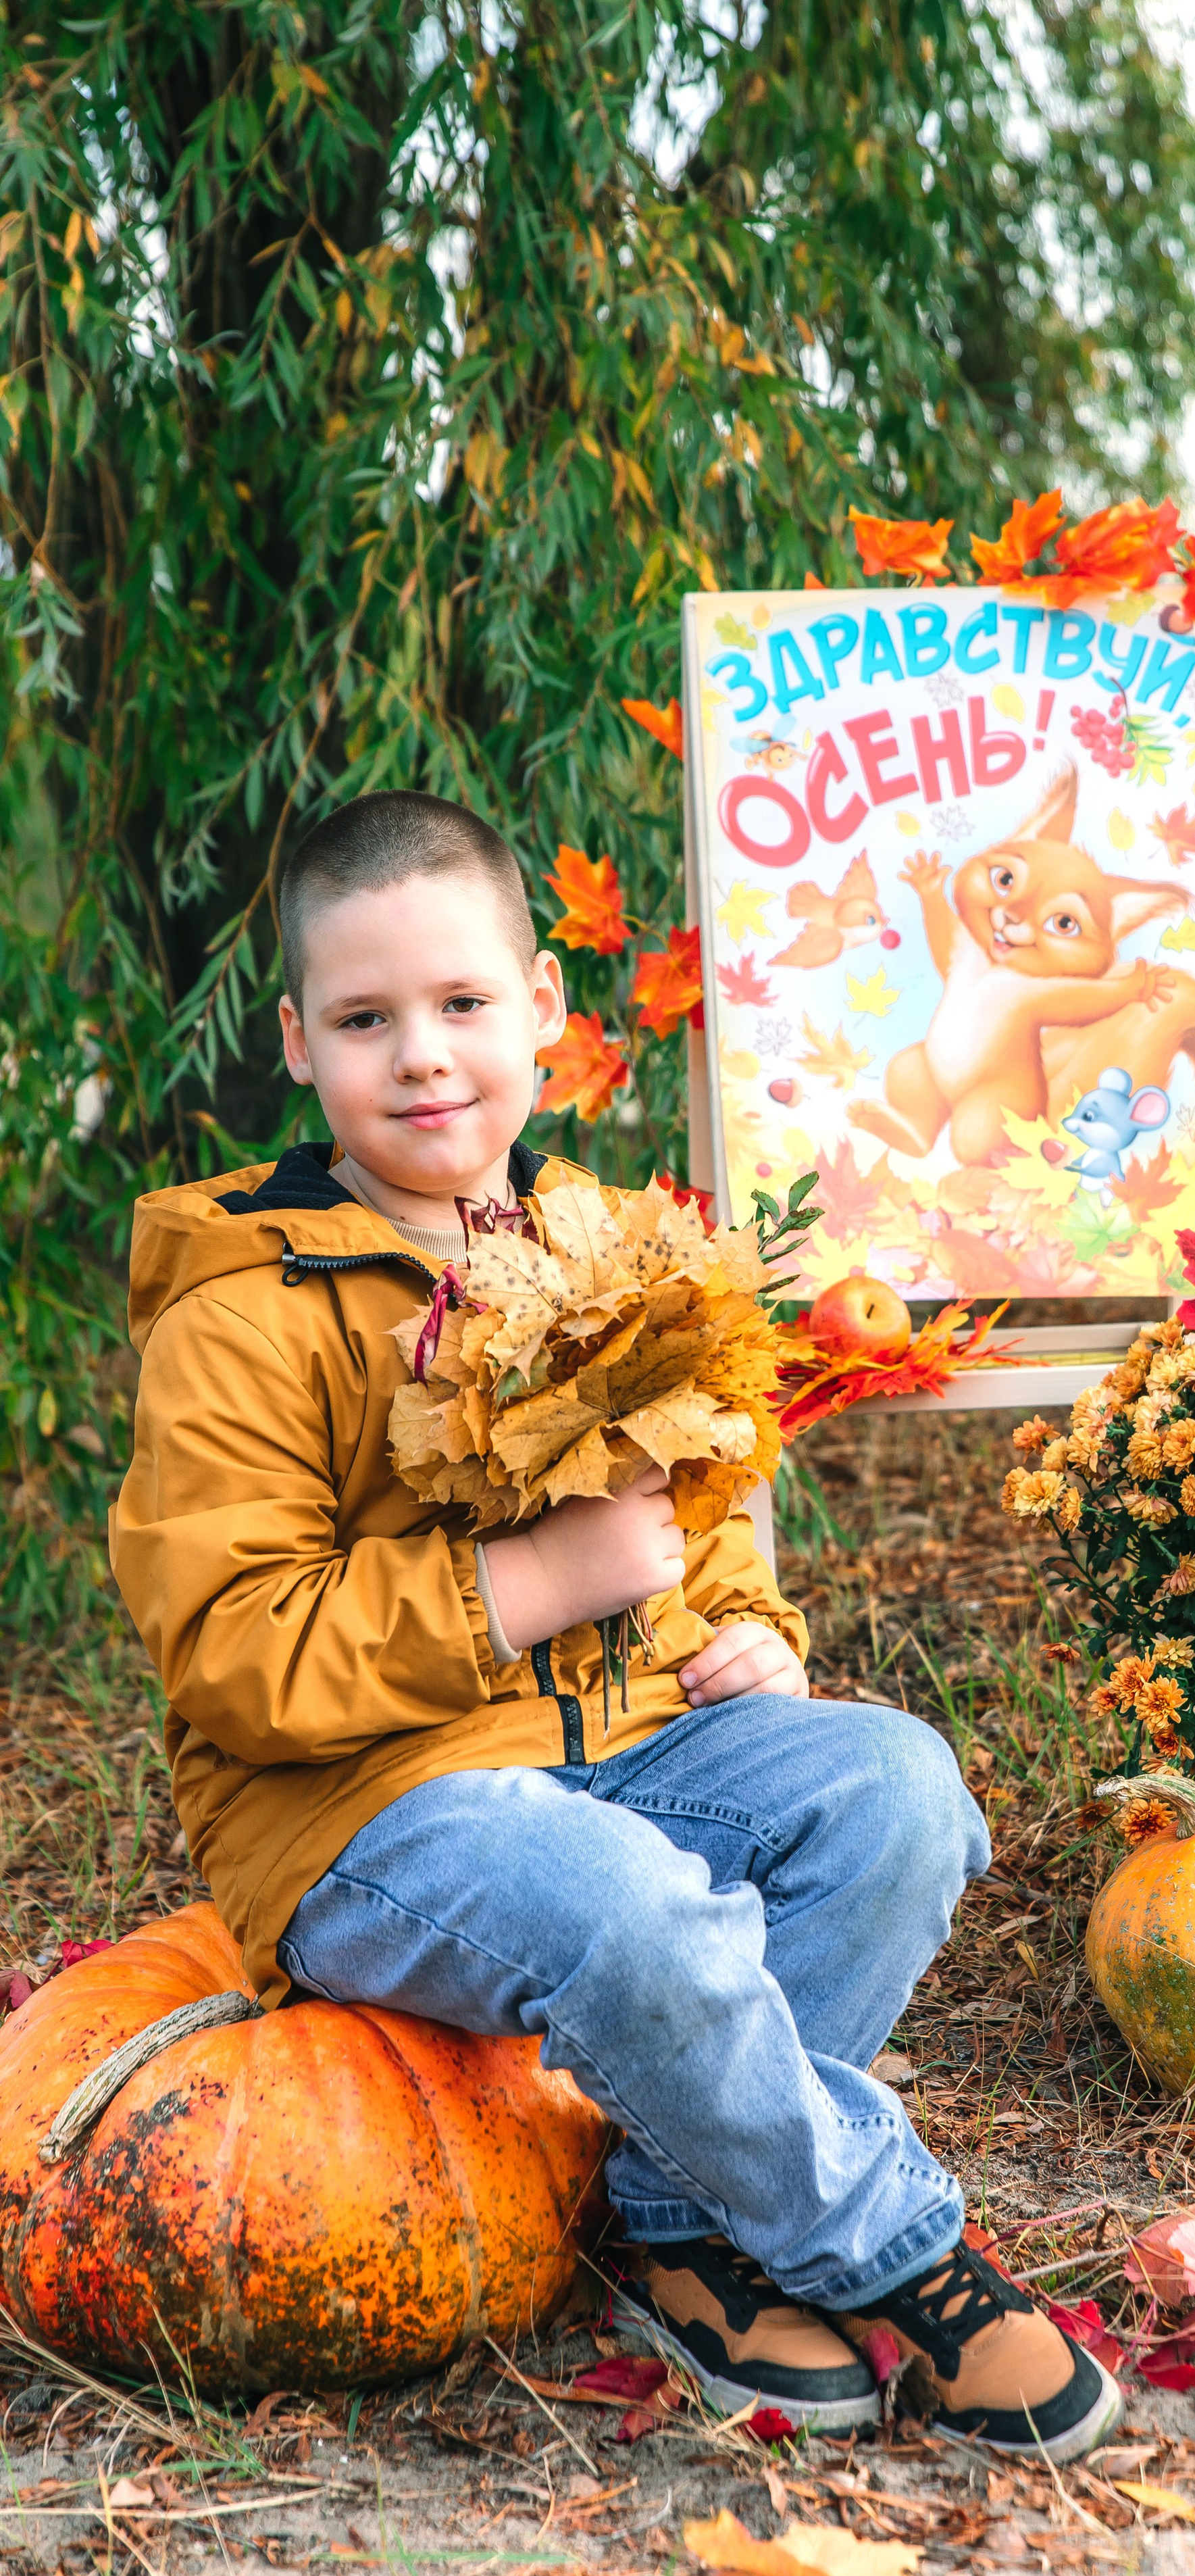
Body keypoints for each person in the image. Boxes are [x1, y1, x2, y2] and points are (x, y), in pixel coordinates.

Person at [109, 791, 1121, 2460]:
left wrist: (751, 1631)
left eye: (461, 1004)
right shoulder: (245, 1314)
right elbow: (235, 1656)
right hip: (375, 1819)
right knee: (630, 1905)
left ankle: (675, 2227)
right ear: (296, 1041)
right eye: (364, 1021)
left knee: (895, 1791)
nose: (422, 1057)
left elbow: (693, 1507)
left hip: (629, 1754)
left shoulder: (604, 1253)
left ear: (543, 1011)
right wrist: (522, 1587)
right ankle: (897, 2255)